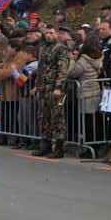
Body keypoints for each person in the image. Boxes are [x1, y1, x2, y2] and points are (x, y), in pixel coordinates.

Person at [34, 25, 70, 158]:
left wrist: (58, 87)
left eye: (51, 33)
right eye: (46, 33)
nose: (48, 35)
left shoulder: (60, 48)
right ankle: (45, 145)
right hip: (44, 88)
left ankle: (59, 148)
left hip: (55, 89)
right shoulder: (43, 48)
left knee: (57, 117)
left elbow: (63, 69)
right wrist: (37, 86)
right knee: (44, 117)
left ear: (56, 34)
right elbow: (40, 68)